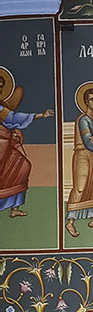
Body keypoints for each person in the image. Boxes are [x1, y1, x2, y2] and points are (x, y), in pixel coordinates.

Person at [0, 83, 54, 220]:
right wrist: (41, 115)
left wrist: (11, 134)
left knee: (22, 166)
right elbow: (13, 118)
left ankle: (14, 208)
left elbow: (7, 123)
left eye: (1, 86)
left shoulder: (2, 105)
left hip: (6, 144)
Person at [65, 86, 93, 237]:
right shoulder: (83, 119)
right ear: (86, 101)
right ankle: (70, 222)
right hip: (83, 155)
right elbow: (89, 141)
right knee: (81, 186)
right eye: (92, 99)